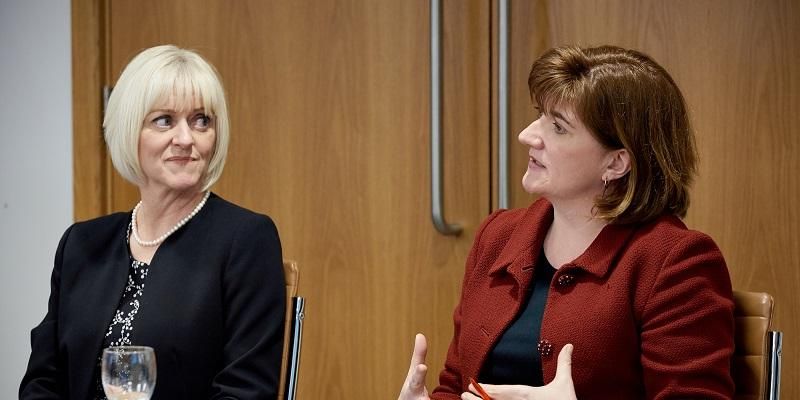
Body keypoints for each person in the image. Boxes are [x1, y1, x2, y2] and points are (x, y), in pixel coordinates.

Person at [399, 45, 735, 400]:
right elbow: (456, 385)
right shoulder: (497, 236)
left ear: (617, 163)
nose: (527, 135)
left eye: (558, 126)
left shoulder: (676, 261)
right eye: (540, 115)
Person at [20, 45, 286, 399]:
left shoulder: (246, 240)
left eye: (201, 120)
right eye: (164, 120)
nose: (186, 138)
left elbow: (245, 392)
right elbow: (42, 380)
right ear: (130, 130)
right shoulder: (81, 243)